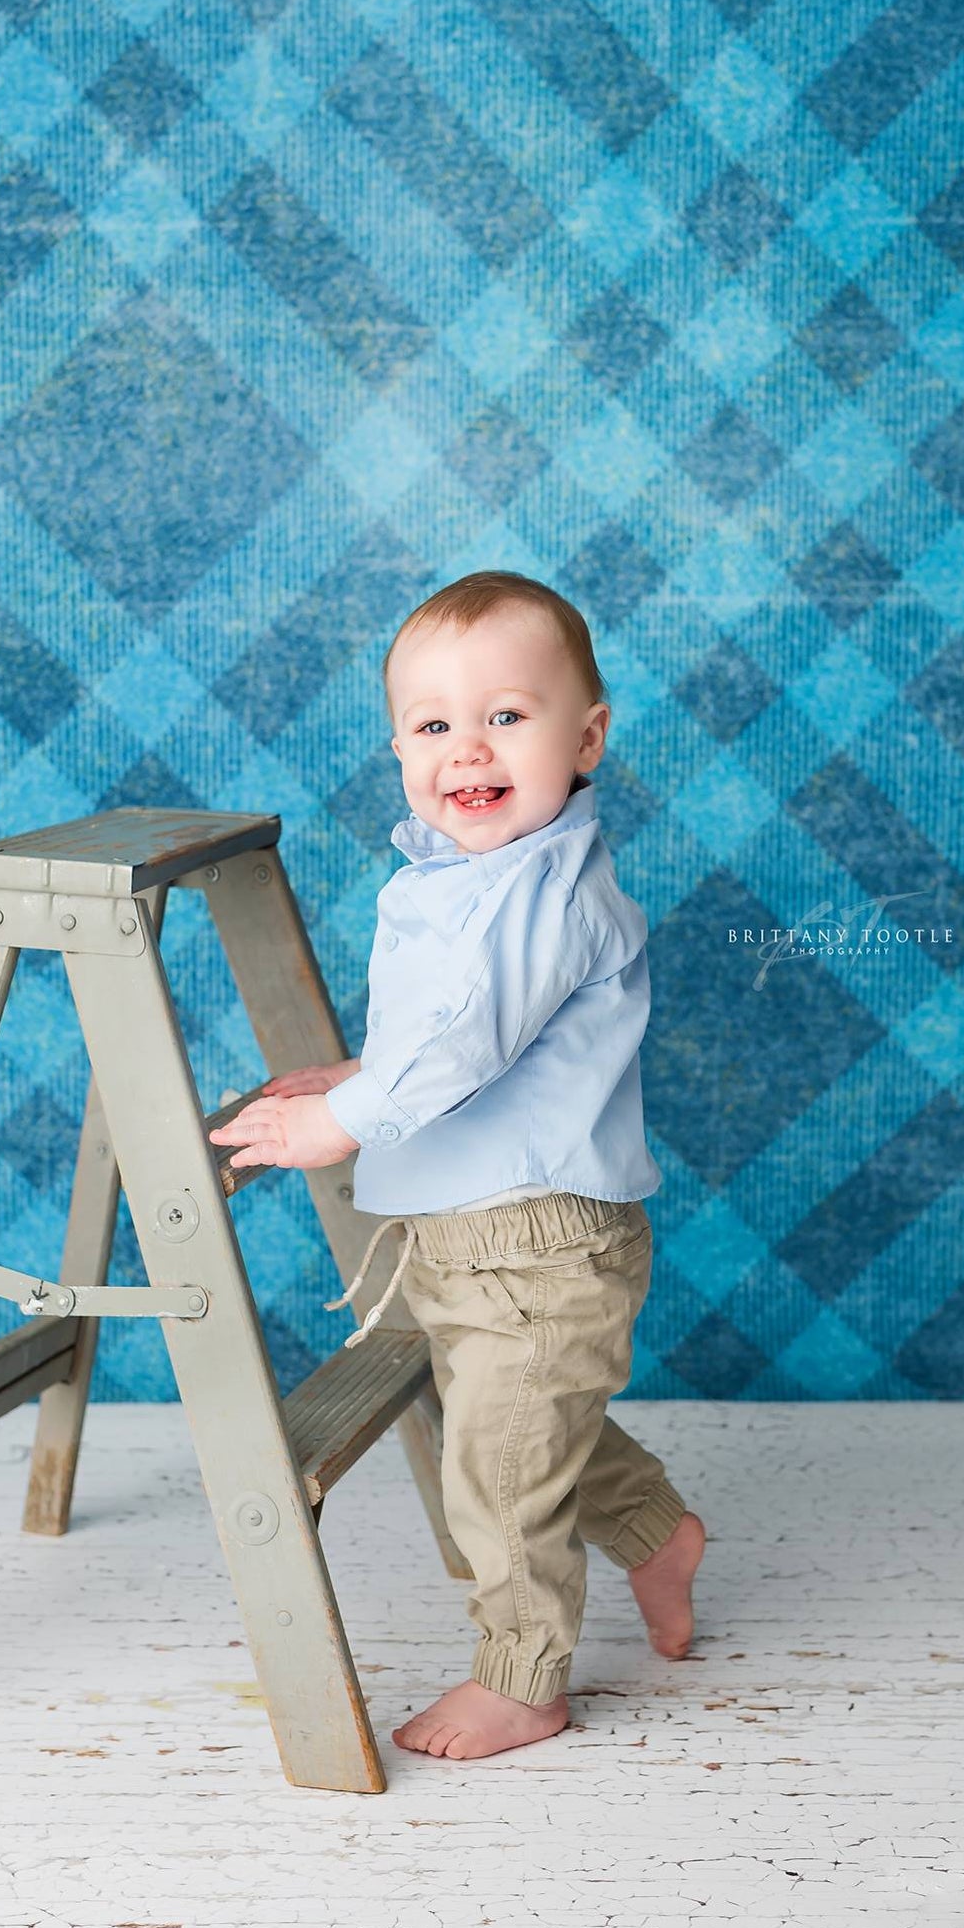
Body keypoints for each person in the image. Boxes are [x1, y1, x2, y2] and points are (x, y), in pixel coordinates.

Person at [210, 570, 706, 1760]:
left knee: (497, 1471)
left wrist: (345, 1122)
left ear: (585, 736)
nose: (466, 749)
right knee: (530, 1427)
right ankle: (655, 1532)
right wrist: (352, 1073)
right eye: (433, 725)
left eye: (507, 716)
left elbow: (469, 1034)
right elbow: (457, 1035)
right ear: (396, 748)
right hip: (477, 1231)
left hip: (535, 1242)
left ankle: (523, 1676)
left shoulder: (537, 890)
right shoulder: (466, 878)